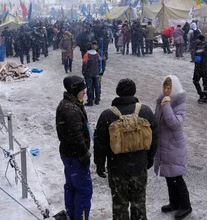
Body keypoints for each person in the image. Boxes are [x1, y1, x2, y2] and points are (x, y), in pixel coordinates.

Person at [94, 79, 158, 220]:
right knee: (139, 203)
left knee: (120, 205)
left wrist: (99, 164)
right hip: (139, 165)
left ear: (118, 92)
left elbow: (100, 143)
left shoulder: (107, 115)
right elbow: (154, 136)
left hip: (117, 167)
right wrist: (150, 157)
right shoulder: (145, 111)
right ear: (134, 92)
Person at [154, 76, 192, 220]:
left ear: (174, 88)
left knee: (176, 176)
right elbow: (156, 118)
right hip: (164, 144)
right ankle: (174, 203)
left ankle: (186, 206)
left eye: (169, 88)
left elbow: (175, 123)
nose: (166, 90)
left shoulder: (178, 103)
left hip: (174, 146)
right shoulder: (161, 100)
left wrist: (166, 105)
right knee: (169, 176)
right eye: (164, 87)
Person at [56, 75, 93, 220]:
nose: (85, 91)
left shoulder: (70, 104)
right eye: (82, 89)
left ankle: (72, 215)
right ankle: (80, 217)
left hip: (69, 154)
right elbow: (75, 134)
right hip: (75, 155)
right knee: (84, 190)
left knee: (71, 186)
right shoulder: (70, 109)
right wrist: (84, 152)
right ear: (74, 90)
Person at [192, 35, 207, 104]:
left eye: (197, 39)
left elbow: (198, 59)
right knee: (205, 82)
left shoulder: (200, 47)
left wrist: (197, 69)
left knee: (195, 80)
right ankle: (205, 97)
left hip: (200, 68)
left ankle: (201, 95)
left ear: (199, 39)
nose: (196, 40)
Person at [82, 41, 102, 106]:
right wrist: (99, 72)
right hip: (96, 73)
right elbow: (99, 63)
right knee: (97, 86)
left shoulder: (86, 55)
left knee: (89, 87)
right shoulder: (97, 54)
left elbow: (84, 65)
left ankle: (90, 101)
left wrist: (84, 72)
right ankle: (97, 99)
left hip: (88, 73)